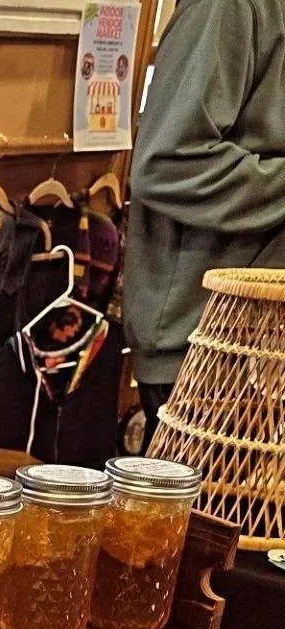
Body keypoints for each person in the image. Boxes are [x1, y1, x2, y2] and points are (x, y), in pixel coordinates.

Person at [124, 0, 285, 447]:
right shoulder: (228, 7)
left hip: (266, 348)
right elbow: (168, 162)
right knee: (213, 518)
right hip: (209, 352)